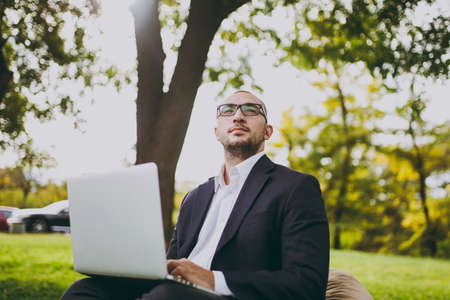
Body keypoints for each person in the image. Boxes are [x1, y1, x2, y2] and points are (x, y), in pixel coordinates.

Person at [62, 90, 330, 300]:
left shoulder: (296, 188)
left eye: (251, 110)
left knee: (167, 297)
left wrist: (211, 279)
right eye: (227, 111)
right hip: (171, 291)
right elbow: (171, 264)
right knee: (85, 291)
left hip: (230, 296)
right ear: (216, 132)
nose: (238, 116)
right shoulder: (195, 198)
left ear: (268, 131)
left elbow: (306, 285)